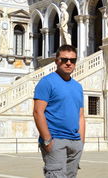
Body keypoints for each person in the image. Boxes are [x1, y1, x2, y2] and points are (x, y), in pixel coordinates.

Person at [33, 44, 85, 178]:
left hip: (75, 142)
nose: (68, 63)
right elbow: (38, 112)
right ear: (57, 61)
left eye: (72, 60)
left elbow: (80, 116)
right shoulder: (47, 82)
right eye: (64, 59)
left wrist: (81, 142)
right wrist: (47, 140)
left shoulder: (78, 87)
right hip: (55, 140)